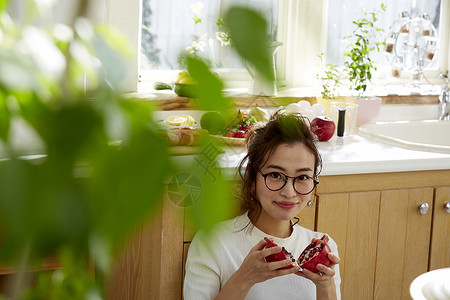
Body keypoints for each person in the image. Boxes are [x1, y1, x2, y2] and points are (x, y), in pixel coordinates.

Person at [183, 111, 341, 300]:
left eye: (302, 177)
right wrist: (243, 279)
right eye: (275, 175)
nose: (289, 192)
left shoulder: (327, 248)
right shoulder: (212, 243)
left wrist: (326, 287)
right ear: (252, 178)